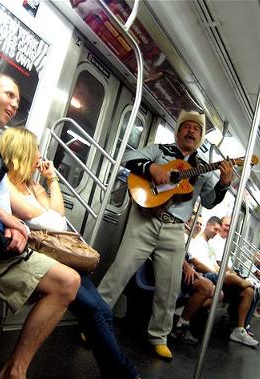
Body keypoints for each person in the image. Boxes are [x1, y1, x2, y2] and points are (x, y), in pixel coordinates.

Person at [0, 126, 168, 379]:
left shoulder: (31, 184)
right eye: (36, 150)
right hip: (35, 253)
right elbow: (42, 216)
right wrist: (47, 212)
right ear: (22, 152)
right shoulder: (5, 183)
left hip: (51, 252)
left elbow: (59, 213)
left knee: (102, 309)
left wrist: (51, 179)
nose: (40, 155)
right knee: (92, 308)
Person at [98, 109, 234, 360]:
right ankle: (94, 322)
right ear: (178, 130)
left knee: (169, 287)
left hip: (174, 229)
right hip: (144, 220)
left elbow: (208, 200)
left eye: (196, 128)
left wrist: (224, 184)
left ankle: (159, 337)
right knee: (119, 272)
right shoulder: (159, 150)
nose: (191, 131)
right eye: (187, 126)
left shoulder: (203, 169)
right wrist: (151, 168)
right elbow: (128, 157)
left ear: (201, 136)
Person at [0, 72, 81, 379]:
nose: (14, 102)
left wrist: (13, 226)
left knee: (68, 281)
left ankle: (14, 374)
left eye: (17, 99)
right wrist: (4, 217)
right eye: (8, 94)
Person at [188, 216, 259, 347]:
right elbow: (197, 263)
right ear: (208, 225)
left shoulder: (208, 245)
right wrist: (219, 273)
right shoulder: (197, 242)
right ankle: (245, 282)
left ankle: (239, 330)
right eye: (215, 229)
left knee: (248, 292)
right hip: (205, 275)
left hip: (213, 273)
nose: (216, 232)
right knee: (229, 277)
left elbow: (214, 263)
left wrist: (221, 271)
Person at [171, 215, 218, 345]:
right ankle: (181, 325)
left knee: (218, 293)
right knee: (207, 286)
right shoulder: (181, 235)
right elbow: (178, 255)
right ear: (187, 222)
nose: (198, 226)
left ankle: (181, 317)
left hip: (186, 273)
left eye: (200, 224)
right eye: (196, 223)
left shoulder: (192, 240)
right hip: (174, 270)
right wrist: (187, 266)